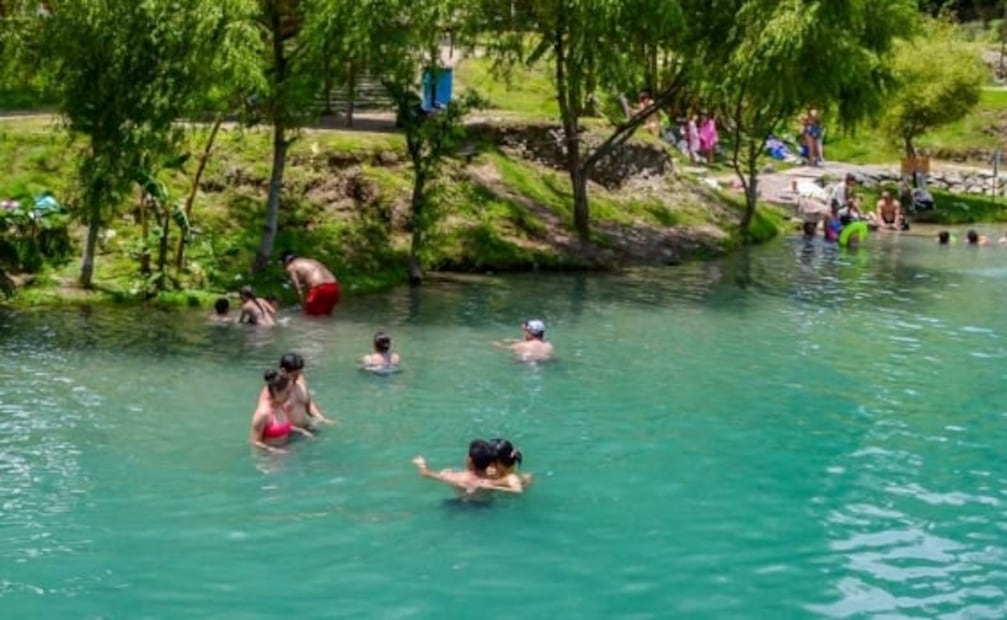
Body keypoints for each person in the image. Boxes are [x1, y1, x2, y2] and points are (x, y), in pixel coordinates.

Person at [256, 352, 335, 430]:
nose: (297, 378)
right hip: (289, 433)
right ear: (283, 371)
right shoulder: (274, 391)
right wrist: (298, 431)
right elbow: (268, 417)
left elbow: (308, 403)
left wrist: (321, 418)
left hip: (306, 428)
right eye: (294, 375)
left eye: (299, 373)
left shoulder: (300, 380)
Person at [411, 439, 516, 497]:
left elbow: (425, 473)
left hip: (461, 506)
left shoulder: (453, 477)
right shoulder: (493, 477)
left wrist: (421, 463)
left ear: (470, 460)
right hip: (485, 509)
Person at [250, 369, 312, 453]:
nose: (289, 396)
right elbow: (255, 443)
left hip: (286, 453)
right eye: (287, 393)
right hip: (270, 460)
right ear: (276, 391)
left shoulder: (282, 407)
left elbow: (283, 427)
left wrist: (301, 431)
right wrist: (275, 451)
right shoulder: (263, 414)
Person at [281, 250, 341, 316]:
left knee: (310, 317)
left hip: (319, 289)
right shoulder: (312, 261)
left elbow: (299, 290)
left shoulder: (291, 267)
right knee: (325, 316)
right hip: (334, 287)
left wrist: (303, 305)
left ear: (286, 261)